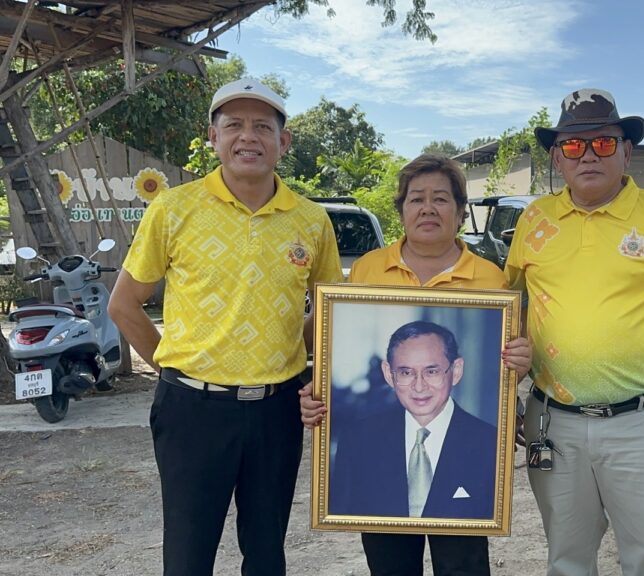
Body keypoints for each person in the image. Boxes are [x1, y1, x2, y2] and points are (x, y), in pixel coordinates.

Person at [107, 78, 343, 576]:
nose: (248, 137)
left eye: (263, 126)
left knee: (266, 553)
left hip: (278, 410)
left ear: (284, 141)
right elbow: (124, 305)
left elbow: (328, 311)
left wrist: (292, 354)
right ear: (213, 137)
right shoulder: (173, 208)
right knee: (188, 556)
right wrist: (175, 371)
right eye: (234, 125)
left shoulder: (311, 220)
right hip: (191, 410)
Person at [505, 88, 644, 576]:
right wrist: (506, 391)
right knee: (566, 560)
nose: (588, 155)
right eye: (573, 145)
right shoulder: (533, 220)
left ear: (627, 151)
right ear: (556, 157)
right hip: (553, 423)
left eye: (603, 143)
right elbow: (511, 306)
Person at [299, 153, 531, 576]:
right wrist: (317, 391)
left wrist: (521, 361)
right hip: (385, 461)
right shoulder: (367, 269)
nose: (428, 208)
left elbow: (508, 367)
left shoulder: (490, 279)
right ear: (401, 210)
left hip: (464, 465)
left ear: (459, 211)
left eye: (440, 199)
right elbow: (331, 350)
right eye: (416, 199)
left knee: (463, 565)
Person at [331, 321, 497, 520]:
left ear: (456, 370)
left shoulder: (490, 443)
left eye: (432, 371)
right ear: (388, 374)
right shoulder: (357, 440)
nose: (419, 386)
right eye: (406, 373)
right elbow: (344, 513)